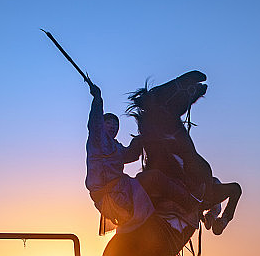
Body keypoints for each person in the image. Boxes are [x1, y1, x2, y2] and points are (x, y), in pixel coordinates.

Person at [85, 80, 199, 235]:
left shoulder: (116, 148)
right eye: (109, 123)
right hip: (113, 195)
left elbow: (130, 155)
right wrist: (98, 98)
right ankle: (192, 203)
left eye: (115, 126)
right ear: (102, 125)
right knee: (154, 178)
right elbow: (95, 124)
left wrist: (143, 138)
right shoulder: (97, 140)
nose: (112, 127)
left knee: (148, 180)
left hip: (121, 190)